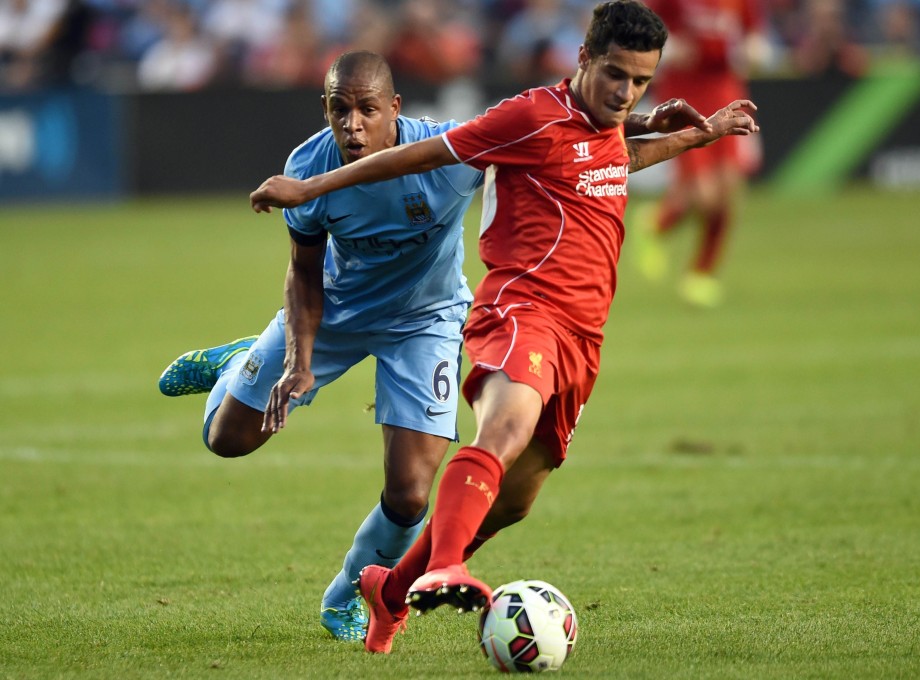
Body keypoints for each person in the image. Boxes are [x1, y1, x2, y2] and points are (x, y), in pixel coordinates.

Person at [250, 0, 758, 655]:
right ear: (582, 58)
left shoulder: (608, 120)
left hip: (583, 334)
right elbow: (417, 157)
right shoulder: (529, 116)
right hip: (524, 310)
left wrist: (702, 133)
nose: (626, 92)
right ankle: (447, 566)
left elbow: (610, 164)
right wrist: (311, 189)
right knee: (505, 430)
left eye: (640, 80)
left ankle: (390, 590)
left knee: (513, 500)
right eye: (615, 75)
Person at [157, 50, 485, 642]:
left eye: (366, 110)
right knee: (225, 439)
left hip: (425, 320)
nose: (352, 125)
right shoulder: (307, 165)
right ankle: (239, 361)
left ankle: (347, 593)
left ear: (396, 110)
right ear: (326, 109)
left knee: (411, 493)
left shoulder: (451, 154)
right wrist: (299, 362)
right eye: (340, 110)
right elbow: (303, 272)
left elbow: (553, 143)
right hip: (332, 309)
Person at [640, 0, 770, 307]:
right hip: (683, 92)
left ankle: (702, 272)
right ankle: (658, 224)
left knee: (727, 188)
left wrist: (753, 52)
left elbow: (754, 37)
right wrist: (671, 49)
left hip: (724, 87)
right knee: (703, 194)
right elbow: (645, 32)